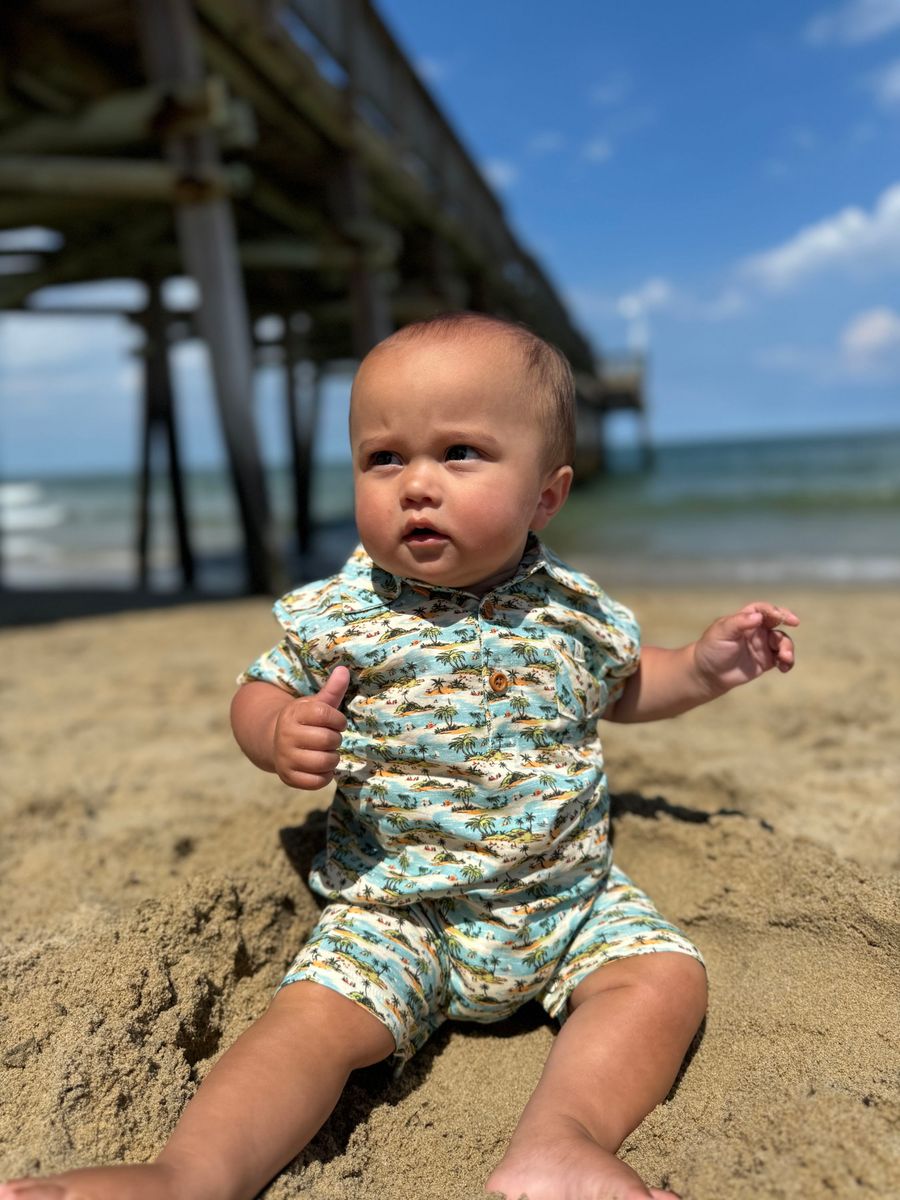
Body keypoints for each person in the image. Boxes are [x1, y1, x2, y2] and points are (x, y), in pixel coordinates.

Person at [0, 313, 798, 1200]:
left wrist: (702, 668)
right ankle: (189, 1176)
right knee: (310, 1022)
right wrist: (276, 730)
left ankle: (559, 1142)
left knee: (663, 978)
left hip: (567, 899)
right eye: (383, 458)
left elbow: (627, 686)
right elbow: (259, 689)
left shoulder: (574, 611)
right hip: (398, 909)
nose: (417, 484)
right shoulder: (342, 614)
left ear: (546, 495)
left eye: (460, 453)